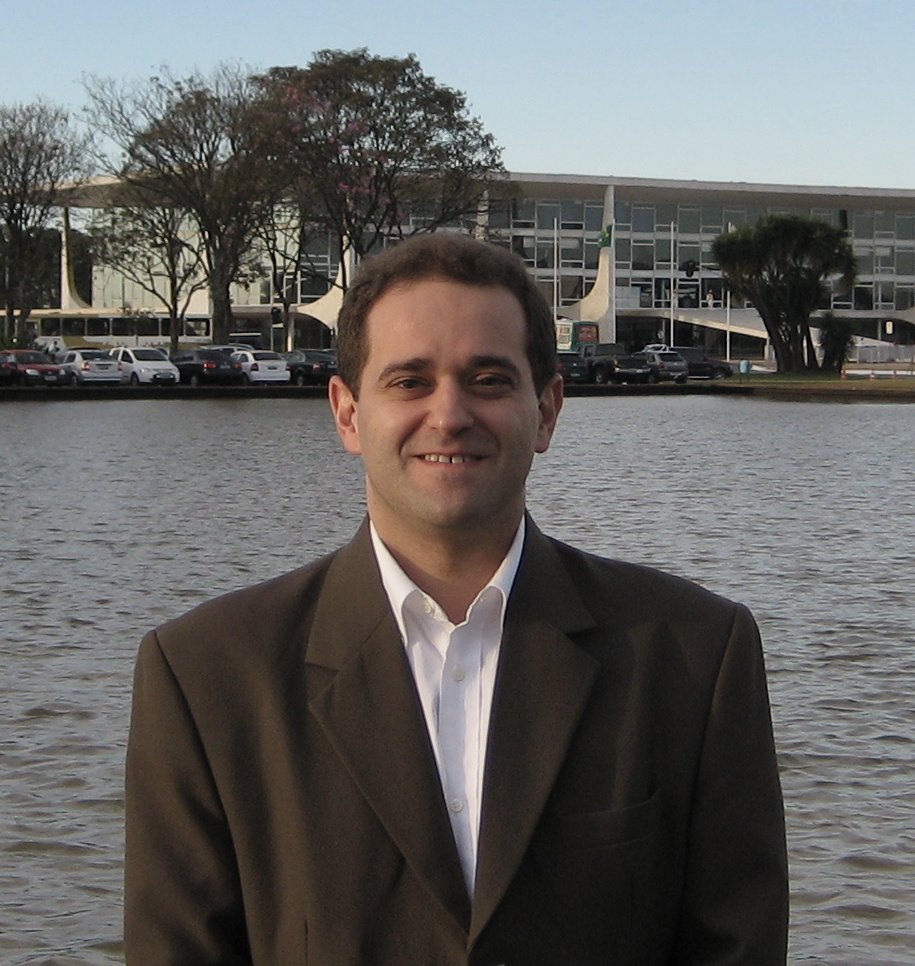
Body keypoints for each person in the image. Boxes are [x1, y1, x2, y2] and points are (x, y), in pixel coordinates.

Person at [124, 233, 788, 964]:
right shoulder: (206, 675)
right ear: (347, 413)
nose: (448, 414)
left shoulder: (695, 654)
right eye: (409, 381)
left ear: (546, 411)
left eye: (488, 380)